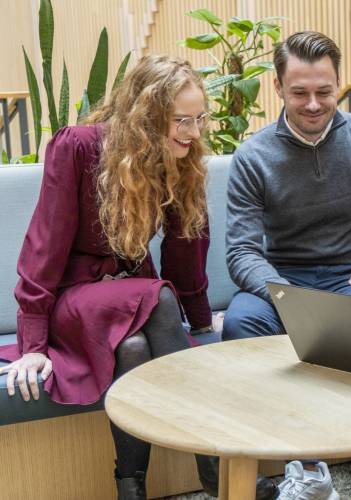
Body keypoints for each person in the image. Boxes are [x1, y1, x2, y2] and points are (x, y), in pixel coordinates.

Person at [0, 55, 276, 500]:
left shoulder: (179, 157)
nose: (193, 132)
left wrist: (203, 321)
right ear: (146, 117)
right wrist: (32, 345)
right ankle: (213, 466)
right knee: (159, 298)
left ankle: (130, 486)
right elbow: (43, 247)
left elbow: (186, 251)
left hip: (132, 302)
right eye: (181, 120)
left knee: (132, 348)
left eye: (199, 118)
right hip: (74, 300)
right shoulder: (80, 147)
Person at [224, 31, 351, 500]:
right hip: (283, 277)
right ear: (278, 88)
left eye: (325, 91)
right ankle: (307, 463)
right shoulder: (253, 156)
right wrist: (286, 294)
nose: (314, 104)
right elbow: (240, 251)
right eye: (300, 92)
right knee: (239, 323)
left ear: (338, 83)